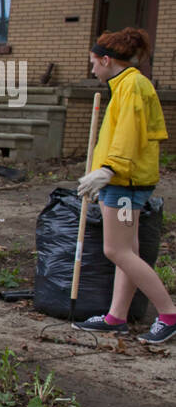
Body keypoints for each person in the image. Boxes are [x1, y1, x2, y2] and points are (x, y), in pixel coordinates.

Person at [72, 27, 175, 345]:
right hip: (125, 180)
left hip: (124, 183)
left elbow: (129, 134)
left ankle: (169, 314)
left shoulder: (131, 86)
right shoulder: (128, 84)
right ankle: (116, 317)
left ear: (106, 59)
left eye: (93, 62)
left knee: (115, 250)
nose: (92, 69)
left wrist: (108, 169)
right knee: (127, 252)